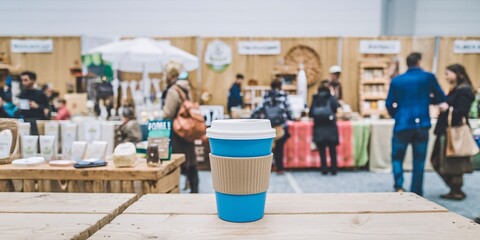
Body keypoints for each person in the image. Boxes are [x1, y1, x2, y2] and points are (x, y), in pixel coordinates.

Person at [386, 52, 447, 196]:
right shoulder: (428, 77)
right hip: (422, 124)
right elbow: (441, 97)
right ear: (419, 62)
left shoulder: (397, 80)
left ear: (407, 63)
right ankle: (416, 191)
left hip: (402, 124)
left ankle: (399, 186)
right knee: (419, 160)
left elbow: (389, 103)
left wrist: (397, 116)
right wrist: (426, 100)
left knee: (397, 157)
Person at [431, 64, 475, 200]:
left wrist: (446, 108)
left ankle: (456, 190)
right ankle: (455, 189)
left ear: (458, 73)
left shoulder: (464, 90)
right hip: (447, 130)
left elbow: (461, 111)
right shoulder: (456, 89)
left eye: (448, 73)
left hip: (454, 131)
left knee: (453, 162)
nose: (446, 76)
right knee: (443, 161)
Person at [162, 69, 199, 193]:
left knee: (176, 160)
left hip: (178, 131)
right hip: (188, 130)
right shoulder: (187, 88)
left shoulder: (173, 91)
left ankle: (174, 188)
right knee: (191, 160)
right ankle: (194, 189)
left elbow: (168, 113)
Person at [252, 78, 293, 175]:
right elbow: (289, 111)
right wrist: (292, 117)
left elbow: (257, 110)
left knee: (268, 147)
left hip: (268, 126)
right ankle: (280, 169)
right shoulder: (283, 96)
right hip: (280, 126)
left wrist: (255, 118)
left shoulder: (266, 96)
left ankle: (268, 167)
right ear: (280, 86)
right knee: (279, 148)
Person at [309, 80, 340, 175]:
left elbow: (311, 113)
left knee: (322, 150)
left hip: (319, 127)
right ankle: (333, 168)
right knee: (332, 149)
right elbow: (335, 109)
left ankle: (324, 168)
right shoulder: (332, 98)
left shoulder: (315, 98)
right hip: (330, 126)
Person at [18, 71, 49, 135]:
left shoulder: (41, 93)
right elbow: (21, 111)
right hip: (25, 121)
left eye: (26, 80)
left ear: (33, 80)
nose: (23, 82)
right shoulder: (22, 93)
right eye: (22, 80)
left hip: (38, 122)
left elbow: (47, 110)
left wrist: (37, 106)